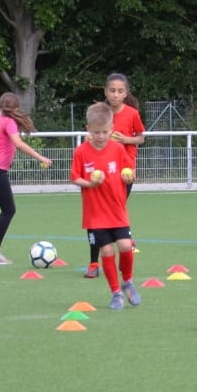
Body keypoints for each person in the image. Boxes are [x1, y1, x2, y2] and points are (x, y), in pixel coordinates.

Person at [70, 102, 140, 309]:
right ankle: (116, 293)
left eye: (105, 132)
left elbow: (129, 171)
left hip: (117, 209)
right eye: (96, 132)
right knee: (107, 251)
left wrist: (128, 177)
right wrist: (90, 183)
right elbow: (75, 178)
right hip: (95, 213)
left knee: (126, 245)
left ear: (111, 129)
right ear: (88, 130)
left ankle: (128, 281)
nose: (101, 136)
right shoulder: (81, 152)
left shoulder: (118, 149)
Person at [0, 92, 52, 266]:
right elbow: (18, 143)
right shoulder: (8, 122)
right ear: (16, 109)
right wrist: (40, 157)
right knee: (9, 210)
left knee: (5, 210)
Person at [85, 73, 145, 278]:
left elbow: (140, 138)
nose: (115, 94)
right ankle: (94, 263)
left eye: (120, 91)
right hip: (99, 173)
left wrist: (126, 140)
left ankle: (124, 248)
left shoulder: (132, 114)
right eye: (112, 90)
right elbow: (91, 137)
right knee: (96, 215)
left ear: (126, 93)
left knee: (115, 213)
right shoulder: (99, 112)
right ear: (105, 91)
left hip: (123, 173)